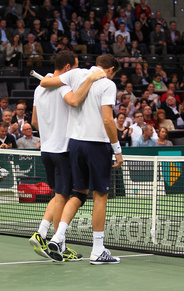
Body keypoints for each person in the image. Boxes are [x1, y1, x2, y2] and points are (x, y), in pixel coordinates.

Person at [40, 54, 123, 264]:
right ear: (111, 69)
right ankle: (97, 250)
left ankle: (58, 237)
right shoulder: (107, 83)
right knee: (100, 196)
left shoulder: (75, 73)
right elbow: (107, 119)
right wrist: (117, 149)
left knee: (78, 192)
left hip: (75, 144)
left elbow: (45, 81)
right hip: (97, 144)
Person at [29, 50, 106, 261]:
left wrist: (50, 127)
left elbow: (35, 121)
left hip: (46, 150)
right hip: (62, 150)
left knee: (59, 195)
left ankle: (56, 243)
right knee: (63, 196)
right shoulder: (63, 86)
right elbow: (74, 102)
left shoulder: (39, 88)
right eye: (76, 66)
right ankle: (46, 235)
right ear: (68, 68)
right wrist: (90, 79)